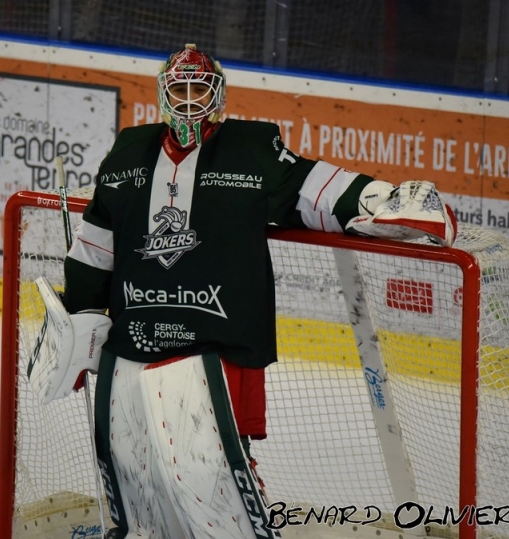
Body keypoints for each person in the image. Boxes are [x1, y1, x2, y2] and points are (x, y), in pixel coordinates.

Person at [61, 43, 456, 539]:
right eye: (179, 89)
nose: (189, 99)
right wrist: (79, 317)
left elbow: (316, 187)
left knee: (211, 476)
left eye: (199, 89)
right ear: (163, 94)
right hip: (133, 342)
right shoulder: (126, 153)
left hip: (216, 345)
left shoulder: (251, 149)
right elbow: (94, 246)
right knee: (134, 475)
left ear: (219, 96)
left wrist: (386, 200)